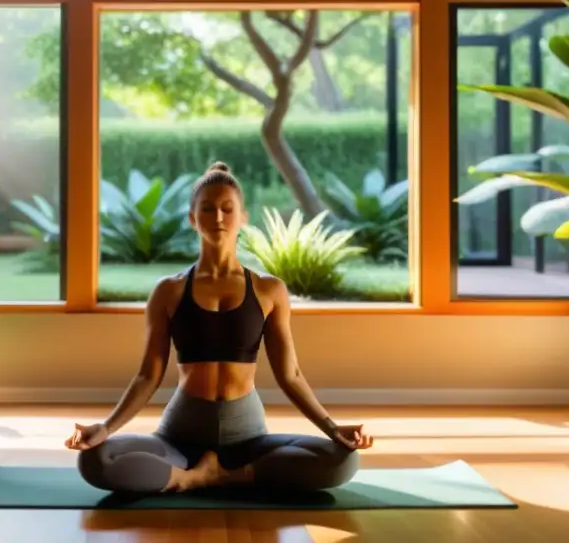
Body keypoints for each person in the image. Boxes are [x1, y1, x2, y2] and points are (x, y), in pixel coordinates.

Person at [65, 161, 373, 495]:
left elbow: (291, 375)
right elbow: (147, 376)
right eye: (207, 209)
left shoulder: (270, 290)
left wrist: (332, 428)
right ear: (192, 219)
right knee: (96, 460)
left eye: (228, 209)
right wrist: (106, 428)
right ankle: (191, 475)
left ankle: (223, 475)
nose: (219, 218)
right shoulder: (169, 291)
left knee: (344, 460)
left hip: (249, 439)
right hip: (179, 440)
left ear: (243, 217)